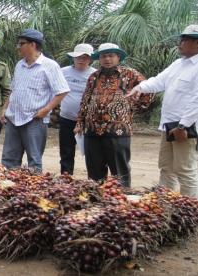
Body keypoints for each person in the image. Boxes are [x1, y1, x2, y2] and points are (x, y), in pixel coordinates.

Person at [127, 25, 198, 198]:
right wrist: (140, 87)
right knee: (166, 167)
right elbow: (158, 81)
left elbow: (197, 100)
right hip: (169, 124)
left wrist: (183, 126)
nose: (179, 43)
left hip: (185, 126)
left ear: (196, 43)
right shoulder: (178, 64)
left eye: (184, 40)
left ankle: (190, 210)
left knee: (185, 169)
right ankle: (165, 205)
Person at [74, 43, 153, 187]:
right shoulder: (93, 77)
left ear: (118, 57)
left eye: (111, 55)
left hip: (118, 131)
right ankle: (96, 202)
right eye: (103, 56)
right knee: (94, 173)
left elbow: (149, 89)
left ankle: (121, 204)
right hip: (92, 130)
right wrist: (80, 122)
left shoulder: (131, 74)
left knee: (119, 172)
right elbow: (85, 100)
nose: (107, 59)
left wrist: (133, 106)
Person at [1, 29, 70, 171]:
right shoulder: (20, 64)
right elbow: (13, 89)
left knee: (34, 160)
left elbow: (62, 91)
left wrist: (45, 110)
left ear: (32, 44)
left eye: (21, 44)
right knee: (9, 159)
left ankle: (31, 190)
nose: (18, 47)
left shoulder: (50, 66)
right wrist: (4, 109)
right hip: (13, 118)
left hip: (34, 120)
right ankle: (10, 189)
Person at [59, 44, 96, 174]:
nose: (81, 60)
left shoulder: (95, 74)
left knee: (91, 152)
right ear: (73, 58)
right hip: (66, 118)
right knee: (66, 151)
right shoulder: (63, 72)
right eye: (78, 57)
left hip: (88, 121)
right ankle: (66, 179)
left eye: (85, 57)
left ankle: (94, 180)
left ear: (90, 59)